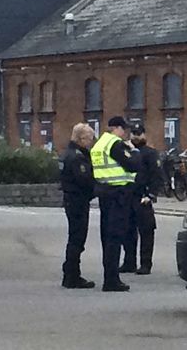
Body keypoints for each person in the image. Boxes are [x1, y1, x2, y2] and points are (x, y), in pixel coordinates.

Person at [90, 116, 141, 292]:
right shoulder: (115, 144)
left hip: (105, 193)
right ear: (117, 128)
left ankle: (109, 276)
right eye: (123, 129)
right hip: (118, 195)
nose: (125, 133)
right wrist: (134, 151)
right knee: (115, 237)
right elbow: (132, 165)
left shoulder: (99, 144)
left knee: (107, 237)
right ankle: (111, 280)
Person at [59, 123, 96, 289]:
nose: (91, 141)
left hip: (72, 199)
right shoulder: (77, 157)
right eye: (89, 138)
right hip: (77, 200)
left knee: (75, 237)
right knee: (77, 238)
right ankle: (72, 275)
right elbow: (85, 180)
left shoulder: (68, 153)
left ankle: (71, 272)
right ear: (81, 138)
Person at [121, 124, 160, 275]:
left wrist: (151, 195)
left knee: (146, 231)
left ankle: (145, 263)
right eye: (133, 133)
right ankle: (129, 262)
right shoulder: (127, 152)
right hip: (129, 196)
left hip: (143, 196)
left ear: (144, 135)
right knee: (128, 231)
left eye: (139, 133)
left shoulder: (150, 153)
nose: (136, 137)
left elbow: (156, 175)